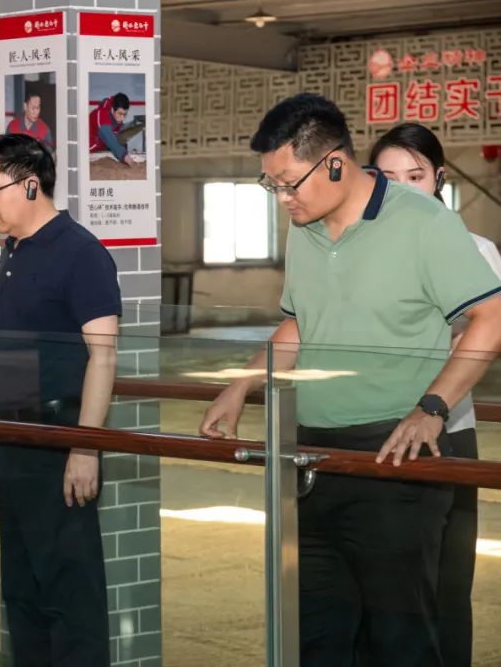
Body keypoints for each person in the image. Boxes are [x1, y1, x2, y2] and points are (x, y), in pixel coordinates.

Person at [198, 94, 501, 667]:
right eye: (272, 186)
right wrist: (240, 385)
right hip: (312, 459)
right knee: (319, 634)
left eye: (289, 183)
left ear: (335, 163)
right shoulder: (305, 228)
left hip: (393, 457)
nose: (283, 198)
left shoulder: (424, 223)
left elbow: (491, 317)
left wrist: (433, 407)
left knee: (399, 637)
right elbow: (298, 324)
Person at [0, 133, 121, 667]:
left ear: (30, 185)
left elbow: (103, 357)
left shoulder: (81, 253)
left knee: (70, 594)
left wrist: (85, 446)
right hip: (14, 442)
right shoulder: (11, 252)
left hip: (59, 443)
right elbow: (6, 354)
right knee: (23, 591)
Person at [370, 122, 501, 667]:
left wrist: (432, 404)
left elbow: (484, 332)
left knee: (444, 585)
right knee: (381, 588)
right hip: (367, 429)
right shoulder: (353, 249)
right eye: (386, 177)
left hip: (446, 431)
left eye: (415, 176)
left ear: (440, 179)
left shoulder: (473, 250)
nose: (401, 189)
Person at [88, 92, 139, 165]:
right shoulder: (101, 114)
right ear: (112, 109)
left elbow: (120, 139)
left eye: (125, 114)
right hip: (87, 152)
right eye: (120, 114)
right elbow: (109, 138)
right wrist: (124, 155)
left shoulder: (118, 121)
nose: (122, 118)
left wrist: (126, 152)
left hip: (101, 153)